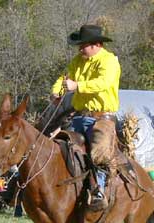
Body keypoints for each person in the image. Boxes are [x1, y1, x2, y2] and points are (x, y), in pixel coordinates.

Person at [51, 24, 121, 211]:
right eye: (79, 46)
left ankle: (99, 191)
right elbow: (64, 78)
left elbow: (103, 83)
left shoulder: (109, 61)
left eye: (83, 45)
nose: (80, 49)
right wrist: (57, 92)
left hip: (102, 118)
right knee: (57, 145)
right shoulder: (77, 61)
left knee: (99, 151)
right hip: (78, 116)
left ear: (96, 44)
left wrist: (77, 86)